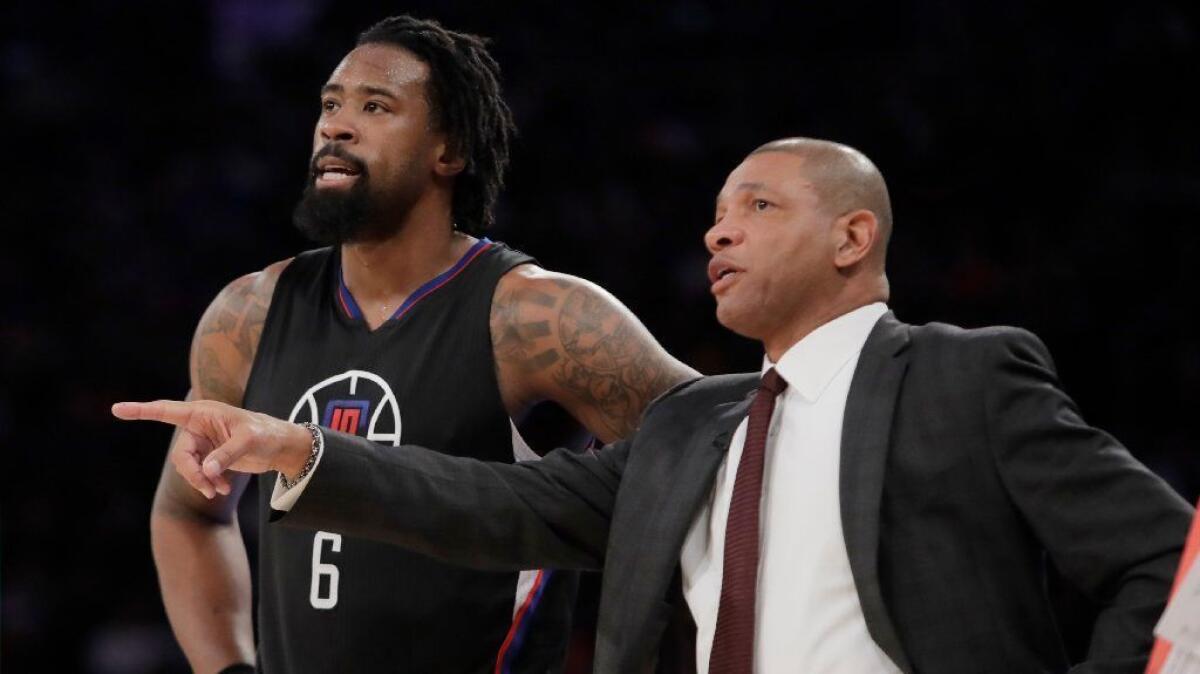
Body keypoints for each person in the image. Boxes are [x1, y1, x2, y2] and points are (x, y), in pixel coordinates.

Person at [118, 138, 1193, 673]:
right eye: (715, 215)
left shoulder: (962, 377)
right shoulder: (692, 426)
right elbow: (489, 503)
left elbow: (1167, 556)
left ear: (852, 238)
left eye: (757, 208)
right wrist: (303, 448)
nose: (719, 233)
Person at [142, 15, 696, 674]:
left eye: (375, 106)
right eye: (330, 104)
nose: (335, 126)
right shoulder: (249, 315)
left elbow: (718, 453)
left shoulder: (538, 318)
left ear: (450, 150)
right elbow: (188, 516)